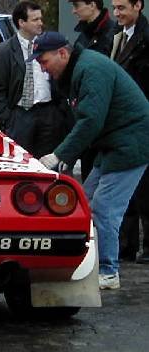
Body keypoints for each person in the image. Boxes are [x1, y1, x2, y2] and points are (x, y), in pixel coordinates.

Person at [32, 31, 149, 290]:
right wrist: (67, 155)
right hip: (113, 144)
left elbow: (90, 121)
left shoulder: (91, 69)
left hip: (131, 145)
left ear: (63, 53)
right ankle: (86, 262)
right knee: (83, 202)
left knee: (104, 208)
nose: (43, 67)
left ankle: (108, 272)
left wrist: (59, 155)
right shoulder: (78, 69)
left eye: (44, 60)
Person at [0, 1, 72, 159]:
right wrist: (8, 118)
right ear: (21, 22)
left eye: (41, 18)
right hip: (20, 115)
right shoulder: (3, 51)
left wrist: (60, 112)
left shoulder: (51, 46)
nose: (41, 23)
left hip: (50, 113)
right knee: (21, 162)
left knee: (48, 164)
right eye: (35, 20)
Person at [110, 0, 149, 264]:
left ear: (138, 6)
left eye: (122, 7)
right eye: (114, 7)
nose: (117, 13)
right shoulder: (118, 36)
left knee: (145, 188)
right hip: (124, 123)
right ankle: (127, 244)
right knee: (128, 187)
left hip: (142, 121)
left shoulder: (146, 39)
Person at [68, 0, 117, 182]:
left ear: (92, 5)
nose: (73, 11)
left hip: (104, 115)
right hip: (85, 112)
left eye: (76, 6)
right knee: (89, 172)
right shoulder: (83, 36)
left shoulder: (112, 35)